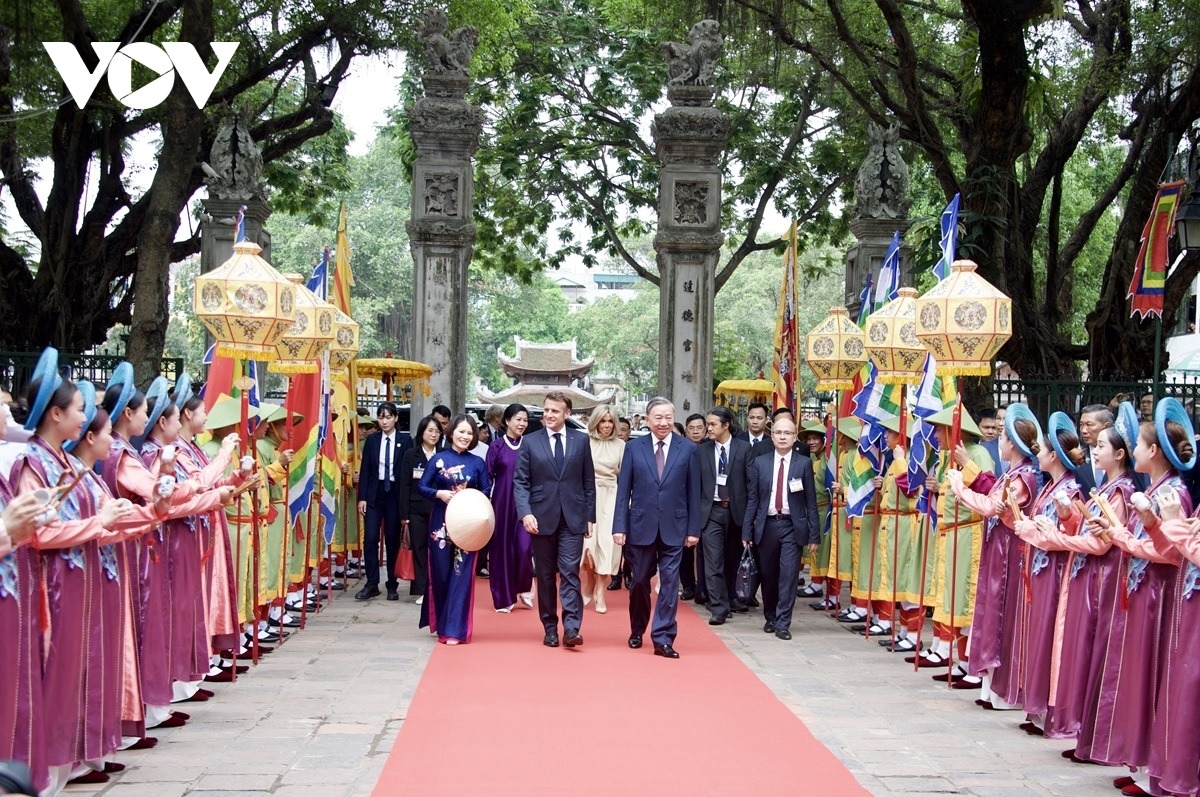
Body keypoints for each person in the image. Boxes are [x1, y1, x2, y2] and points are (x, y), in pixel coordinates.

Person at [945, 405, 1039, 703]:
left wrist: (958, 486)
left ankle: (1003, 689)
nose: (999, 442)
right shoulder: (1013, 473)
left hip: (1011, 552)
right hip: (999, 549)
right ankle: (991, 686)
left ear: (1011, 443)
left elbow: (990, 505)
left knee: (1003, 614)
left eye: (1002, 438)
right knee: (992, 611)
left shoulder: (1023, 477)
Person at [613, 396, 702, 658]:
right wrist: (620, 526)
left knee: (670, 583)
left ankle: (663, 637)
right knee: (639, 581)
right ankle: (637, 628)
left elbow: (694, 492)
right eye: (658, 417)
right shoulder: (633, 448)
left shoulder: (687, 449)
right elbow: (623, 490)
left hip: (675, 527)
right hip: (640, 525)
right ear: (648, 420)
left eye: (668, 418)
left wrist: (693, 529)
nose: (664, 423)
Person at [513, 392, 596, 648]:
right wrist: (525, 513)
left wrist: (590, 516)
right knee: (546, 575)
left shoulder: (581, 441)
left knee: (571, 572)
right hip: (540, 517)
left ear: (567, 414)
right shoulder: (529, 442)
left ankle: (571, 628)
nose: (548, 415)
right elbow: (521, 482)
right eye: (546, 410)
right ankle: (550, 627)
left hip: (573, 517)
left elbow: (588, 481)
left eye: (555, 411)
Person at [742, 416, 819, 640]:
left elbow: (811, 502)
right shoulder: (761, 462)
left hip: (791, 526)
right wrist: (747, 532)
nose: (783, 437)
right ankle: (770, 617)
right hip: (767, 526)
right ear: (772, 436)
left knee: (788, 574)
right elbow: (753, 500)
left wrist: (813, 534)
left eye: (787, 433)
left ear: (795, 437)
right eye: (778, 433)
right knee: (768, 574)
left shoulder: (803, 463)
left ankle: (783, 622)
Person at [418, 415, 491, 645]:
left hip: (468, 525)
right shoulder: (439, 459)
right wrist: (439, 494)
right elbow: (422, 486)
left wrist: (471, 498)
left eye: (469, 433)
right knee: (441, 573)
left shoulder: (478, 463)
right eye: (461, 432)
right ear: (451, 434)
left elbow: (487, 491)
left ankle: (454, 630)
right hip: (440, 524)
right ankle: (441, 621)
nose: (465, 437)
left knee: (461, 576)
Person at [698, 406, 752, 625]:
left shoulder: (744, 449)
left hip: (736, 512)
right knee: (713, 563)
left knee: (731, 560)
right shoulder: (701, 450)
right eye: (707, 424)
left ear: (726, 425)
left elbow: (751, 484)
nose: (708, 428)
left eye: (712, 424)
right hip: (711, 512)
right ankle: (718, 608)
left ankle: (730, 598)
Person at [355, 402, 411, 602]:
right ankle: (371, 583)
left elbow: (407, 473)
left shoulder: (405, 440)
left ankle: (392, 584)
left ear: (396, 418)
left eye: (388, 417)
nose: (385, 421)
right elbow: (366, 470)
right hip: (374, 493)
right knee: (370, 538)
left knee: (393, 539)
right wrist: (362, 496)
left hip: (394, 494)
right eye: (381, 417)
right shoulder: (372, 440)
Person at [485, 404, 534, 613]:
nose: (522, 423)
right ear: (506, 421)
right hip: (501, 504)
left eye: (524, 420)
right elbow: (487, 476)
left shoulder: (531, 445)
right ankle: (504, 597)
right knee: (501, 551)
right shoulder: (496, 446)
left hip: (526, 505)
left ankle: (523, 587)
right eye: (518, 419)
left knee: (524, 548)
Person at [581, 405, 624, 613]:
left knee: (608, 544)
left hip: (612, 496)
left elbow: (625, 476)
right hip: (587, 496)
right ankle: (589, 579)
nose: (606, 425)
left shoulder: (621, 445)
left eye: (610, 421)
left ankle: (599, 590)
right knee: (587, 545)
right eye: (603, 421)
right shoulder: (584, 442)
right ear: (596, 421)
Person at [398, 416, 442, 603]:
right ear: (422, 432)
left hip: (439, 509)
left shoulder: (444, 455)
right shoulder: (411, 454)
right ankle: (422, 590)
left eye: (437, 431)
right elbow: (405, 485)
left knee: (438, 549)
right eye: (430, 430)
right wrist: (404, 515)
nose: (433, 434)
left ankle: (437, 588)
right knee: (419, 548)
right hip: (416, 509)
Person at [680, 411, 709, 601]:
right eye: (692, 428)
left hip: (706, 505)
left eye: (700, 428)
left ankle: (704, 587)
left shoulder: (710, 449)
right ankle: (688, 585)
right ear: (686, 432)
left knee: (706, 550)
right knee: (685, 549)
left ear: (706, 430)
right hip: (684, 504)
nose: (696, 432)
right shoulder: (681, 449)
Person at [1076, 403, 1112, 494]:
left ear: (1106, 426)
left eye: (1089, 425)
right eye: (1081, 425)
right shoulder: (1077, 456)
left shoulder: (1120, 457)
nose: (1083, 430)